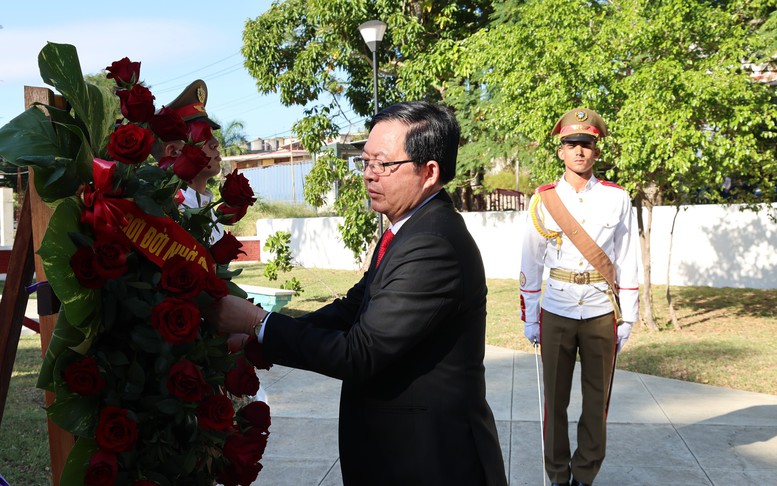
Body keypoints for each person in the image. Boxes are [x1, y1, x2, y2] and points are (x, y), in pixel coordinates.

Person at [205, 101, 508, 486]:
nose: (368, 175)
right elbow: (352, 308)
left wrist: (257, 321)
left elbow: (359, 353)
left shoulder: (433, 245)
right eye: (365, 162)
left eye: (383, 164)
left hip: (430, 461)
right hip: (400, 454)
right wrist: (256, 339)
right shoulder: (407, 229)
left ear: (429, 172)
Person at [519, 108, 640, 486]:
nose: (579, 151)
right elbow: (531, 259)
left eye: (586, 144)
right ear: (560, 152)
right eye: (571, 144)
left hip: (602, 309)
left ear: (596, 150)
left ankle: (584, 474)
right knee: (555, 402)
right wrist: (531, 316)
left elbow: (627, 257)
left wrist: (629, 316)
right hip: (556, 307)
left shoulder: (617, 199)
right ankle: (557, 474)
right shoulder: (544, 200)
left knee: (595, 402)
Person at [155, 79, 225, 244]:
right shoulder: (169, 211)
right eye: (203, 137)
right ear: (173, 152)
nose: (215, 143)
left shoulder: (209, 211)